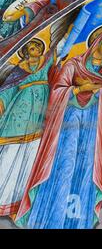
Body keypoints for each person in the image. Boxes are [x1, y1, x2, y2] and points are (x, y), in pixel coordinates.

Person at [15, 27, 102, 229]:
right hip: (66, 126)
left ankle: (74, 223)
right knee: (63, 167)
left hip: (90, 129)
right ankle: (49, 220)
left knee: (83, 170)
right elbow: (57, 92)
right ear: (98, 41)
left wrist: (97, 93)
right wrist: (78, 90)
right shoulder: (73, 65)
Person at [0, 39, 55, 216]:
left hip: (38, 116)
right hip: (18, 115)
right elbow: (7, 92)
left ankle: (17, 203)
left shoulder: (46, 62)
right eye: (32, 47)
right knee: (10, 154)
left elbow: (60, 48)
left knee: (29, 156)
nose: (36, 49)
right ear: (25, 52)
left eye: (39, 46)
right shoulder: (18, 70)